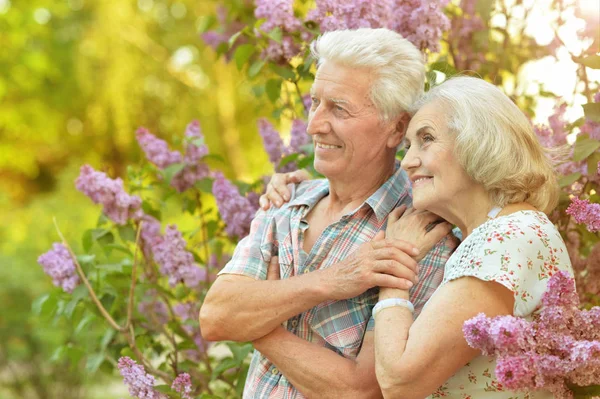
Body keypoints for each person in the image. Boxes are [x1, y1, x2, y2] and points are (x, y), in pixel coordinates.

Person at [267, 76, 573, 398]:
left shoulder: (506, 239)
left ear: (479, 140)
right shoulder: (486, 233)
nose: (408, 161)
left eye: (426, 139)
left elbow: (399, 381)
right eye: (408, 145)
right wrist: (305, 189)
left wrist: (396, 264)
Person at [199, 28, 457, 398]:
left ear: (396, 127)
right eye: (314, 102)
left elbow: (362, 390)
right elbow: (214, 317)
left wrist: (258, 320)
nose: (313, 125)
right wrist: (334, 280)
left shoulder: (420, 233)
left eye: (338, 108)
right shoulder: (286, 204)